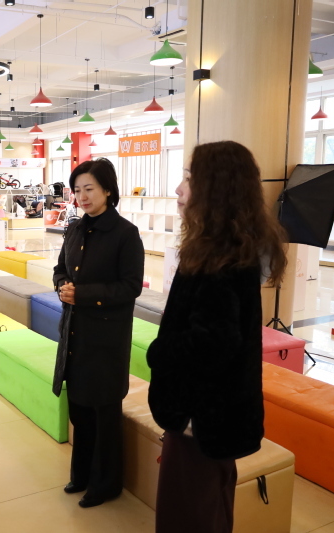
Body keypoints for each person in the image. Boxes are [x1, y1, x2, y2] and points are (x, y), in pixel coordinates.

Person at [146, 141, 288, 533]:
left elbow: (213, 342)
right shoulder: (229, 251)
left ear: (216, 189)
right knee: (210, 506)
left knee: (188, 514)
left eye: (189, 179)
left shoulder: (218, 261)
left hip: (202, 418)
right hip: (214, 418)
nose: (178, 189)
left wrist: (160, 351)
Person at [52, 158, 145, 508]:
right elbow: (60, 269)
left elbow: (130, 286)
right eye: (77, 190)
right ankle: (82, 475)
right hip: (75, 333)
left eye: (89, 189)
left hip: (106, 338)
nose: (82, 196)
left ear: (108, 189)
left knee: (104, 412)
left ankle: (106, 484)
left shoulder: (125, 234)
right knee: (79, 408)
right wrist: (62, 285)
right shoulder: (75, 229)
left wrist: (84, 295)